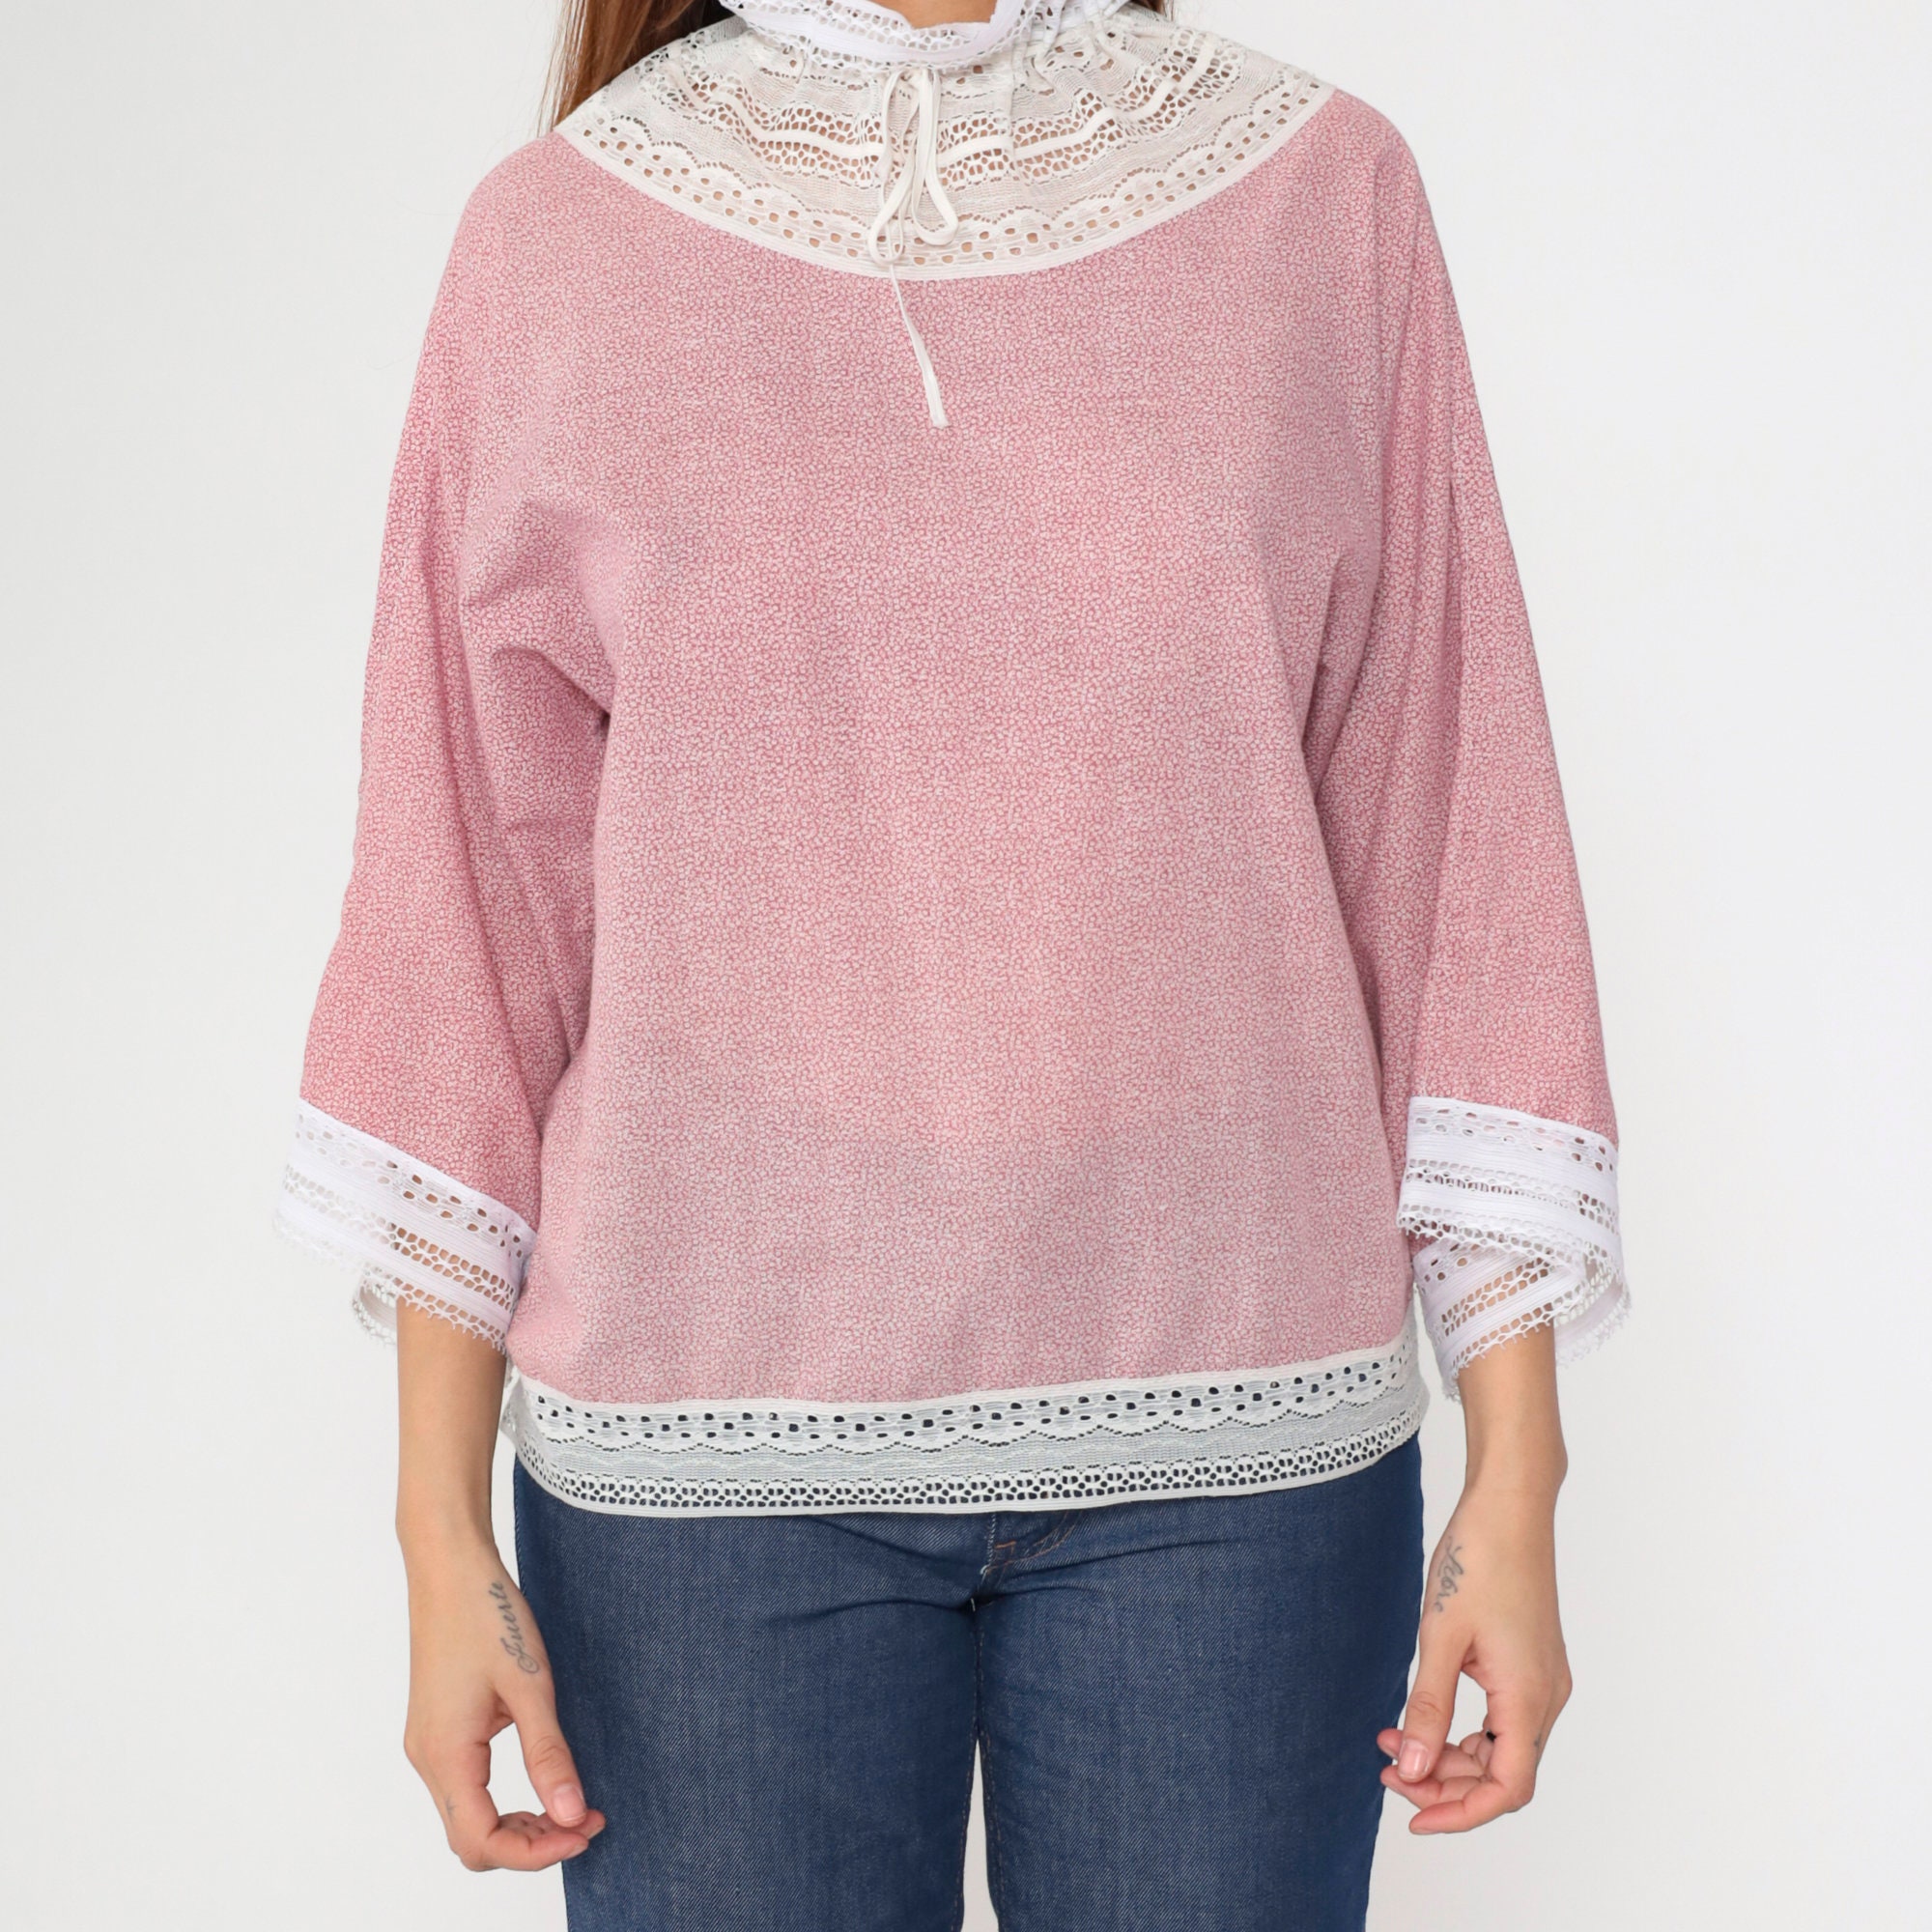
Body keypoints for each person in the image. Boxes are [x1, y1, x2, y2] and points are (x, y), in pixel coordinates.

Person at [274, 0, 1629, 1924]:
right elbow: (473, 907)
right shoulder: (555, 240)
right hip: (699, 1472)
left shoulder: (1317, 196)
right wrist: (436, 1528)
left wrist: (1520, 1466)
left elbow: (1447, 829)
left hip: (1239, 1450)